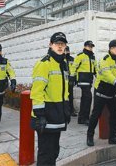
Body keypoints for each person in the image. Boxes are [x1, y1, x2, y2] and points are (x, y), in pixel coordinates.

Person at [30, 32, 71, 165]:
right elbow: (37, 92)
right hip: (46, 115)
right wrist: (40, 115)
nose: (60, 46)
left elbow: (64, 91)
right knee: (45, 153)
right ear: (50, 45)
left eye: (62, 44)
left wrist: (66, 109)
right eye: (57, 43)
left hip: (58, 113)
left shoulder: (63, 63)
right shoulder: (44, 63)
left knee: (54, 151)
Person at [86, 39, 116, 147]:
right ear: (111, 49)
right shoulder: (104, 60)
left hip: (113, 92)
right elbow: (107, 75)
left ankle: (113, 137)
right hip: (101, 92)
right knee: (96, 114)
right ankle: (89, 136)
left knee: (114, 115)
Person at [72, 41, 96, 125]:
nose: (90, 48)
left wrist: (97, 76)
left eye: (91, 46)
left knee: (85, 99)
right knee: (88, 97)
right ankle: (85, 118)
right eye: (89, 46)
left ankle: (81, 118)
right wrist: (72, 77)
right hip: (82, 80)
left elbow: (95, 68)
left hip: (89, 80)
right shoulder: (80, 56)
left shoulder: (92, 56)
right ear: (85, 46)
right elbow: (74, 66)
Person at [65, 46, 77, 117]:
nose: (67, 52)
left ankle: (71, 110)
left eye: (68, 50)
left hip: (70, 80)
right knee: (64, 96)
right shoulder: (62, 59)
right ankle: (65, 111)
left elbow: (75, 70)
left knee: (71, 96)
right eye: (66, 50)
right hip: (64, 81)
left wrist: (74, 79)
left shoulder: (72, 59)